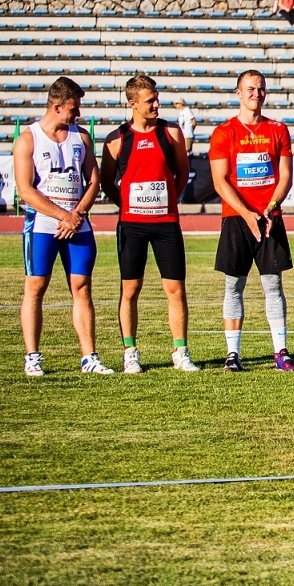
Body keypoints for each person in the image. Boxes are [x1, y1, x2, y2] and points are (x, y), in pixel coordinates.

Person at [100, 74, 196, 374]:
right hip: (132, 226)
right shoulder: (116, 140)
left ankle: (180, 351)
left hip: (167, 223)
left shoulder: (172, 133)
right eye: (150, 101)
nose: (157, 104)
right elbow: (107, 181)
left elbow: (182, 173)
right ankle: (130, 351)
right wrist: (127, 206)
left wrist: (168, 200)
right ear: (132, 103)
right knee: (130, 289)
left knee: (175, 289)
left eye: (157, 98)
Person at [13, 77, 108, 375]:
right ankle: (33, 357)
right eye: (73, 108)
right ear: (57, 106)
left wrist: (76, 214)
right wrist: (60, 215)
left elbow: (94, 180)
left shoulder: (81, 138)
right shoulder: (28, 139)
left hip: (77, 225)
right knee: (36, 287)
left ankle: (89, 357)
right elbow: (26, 190)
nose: (77, 114)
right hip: (43, 225)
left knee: (81, 288)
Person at [208, 69, 294, 372]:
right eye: (250, 89)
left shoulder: (278, 129)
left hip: (270, 217)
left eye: (260, 89)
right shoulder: (223, 132)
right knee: (234, 285)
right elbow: (220, 182)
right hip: (236, 218)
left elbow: (285, 176)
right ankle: (232, 354)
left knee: (273, 285)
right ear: (238, 92)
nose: (256, 94)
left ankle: (281, 352)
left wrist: (271, 207)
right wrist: (246, 214)